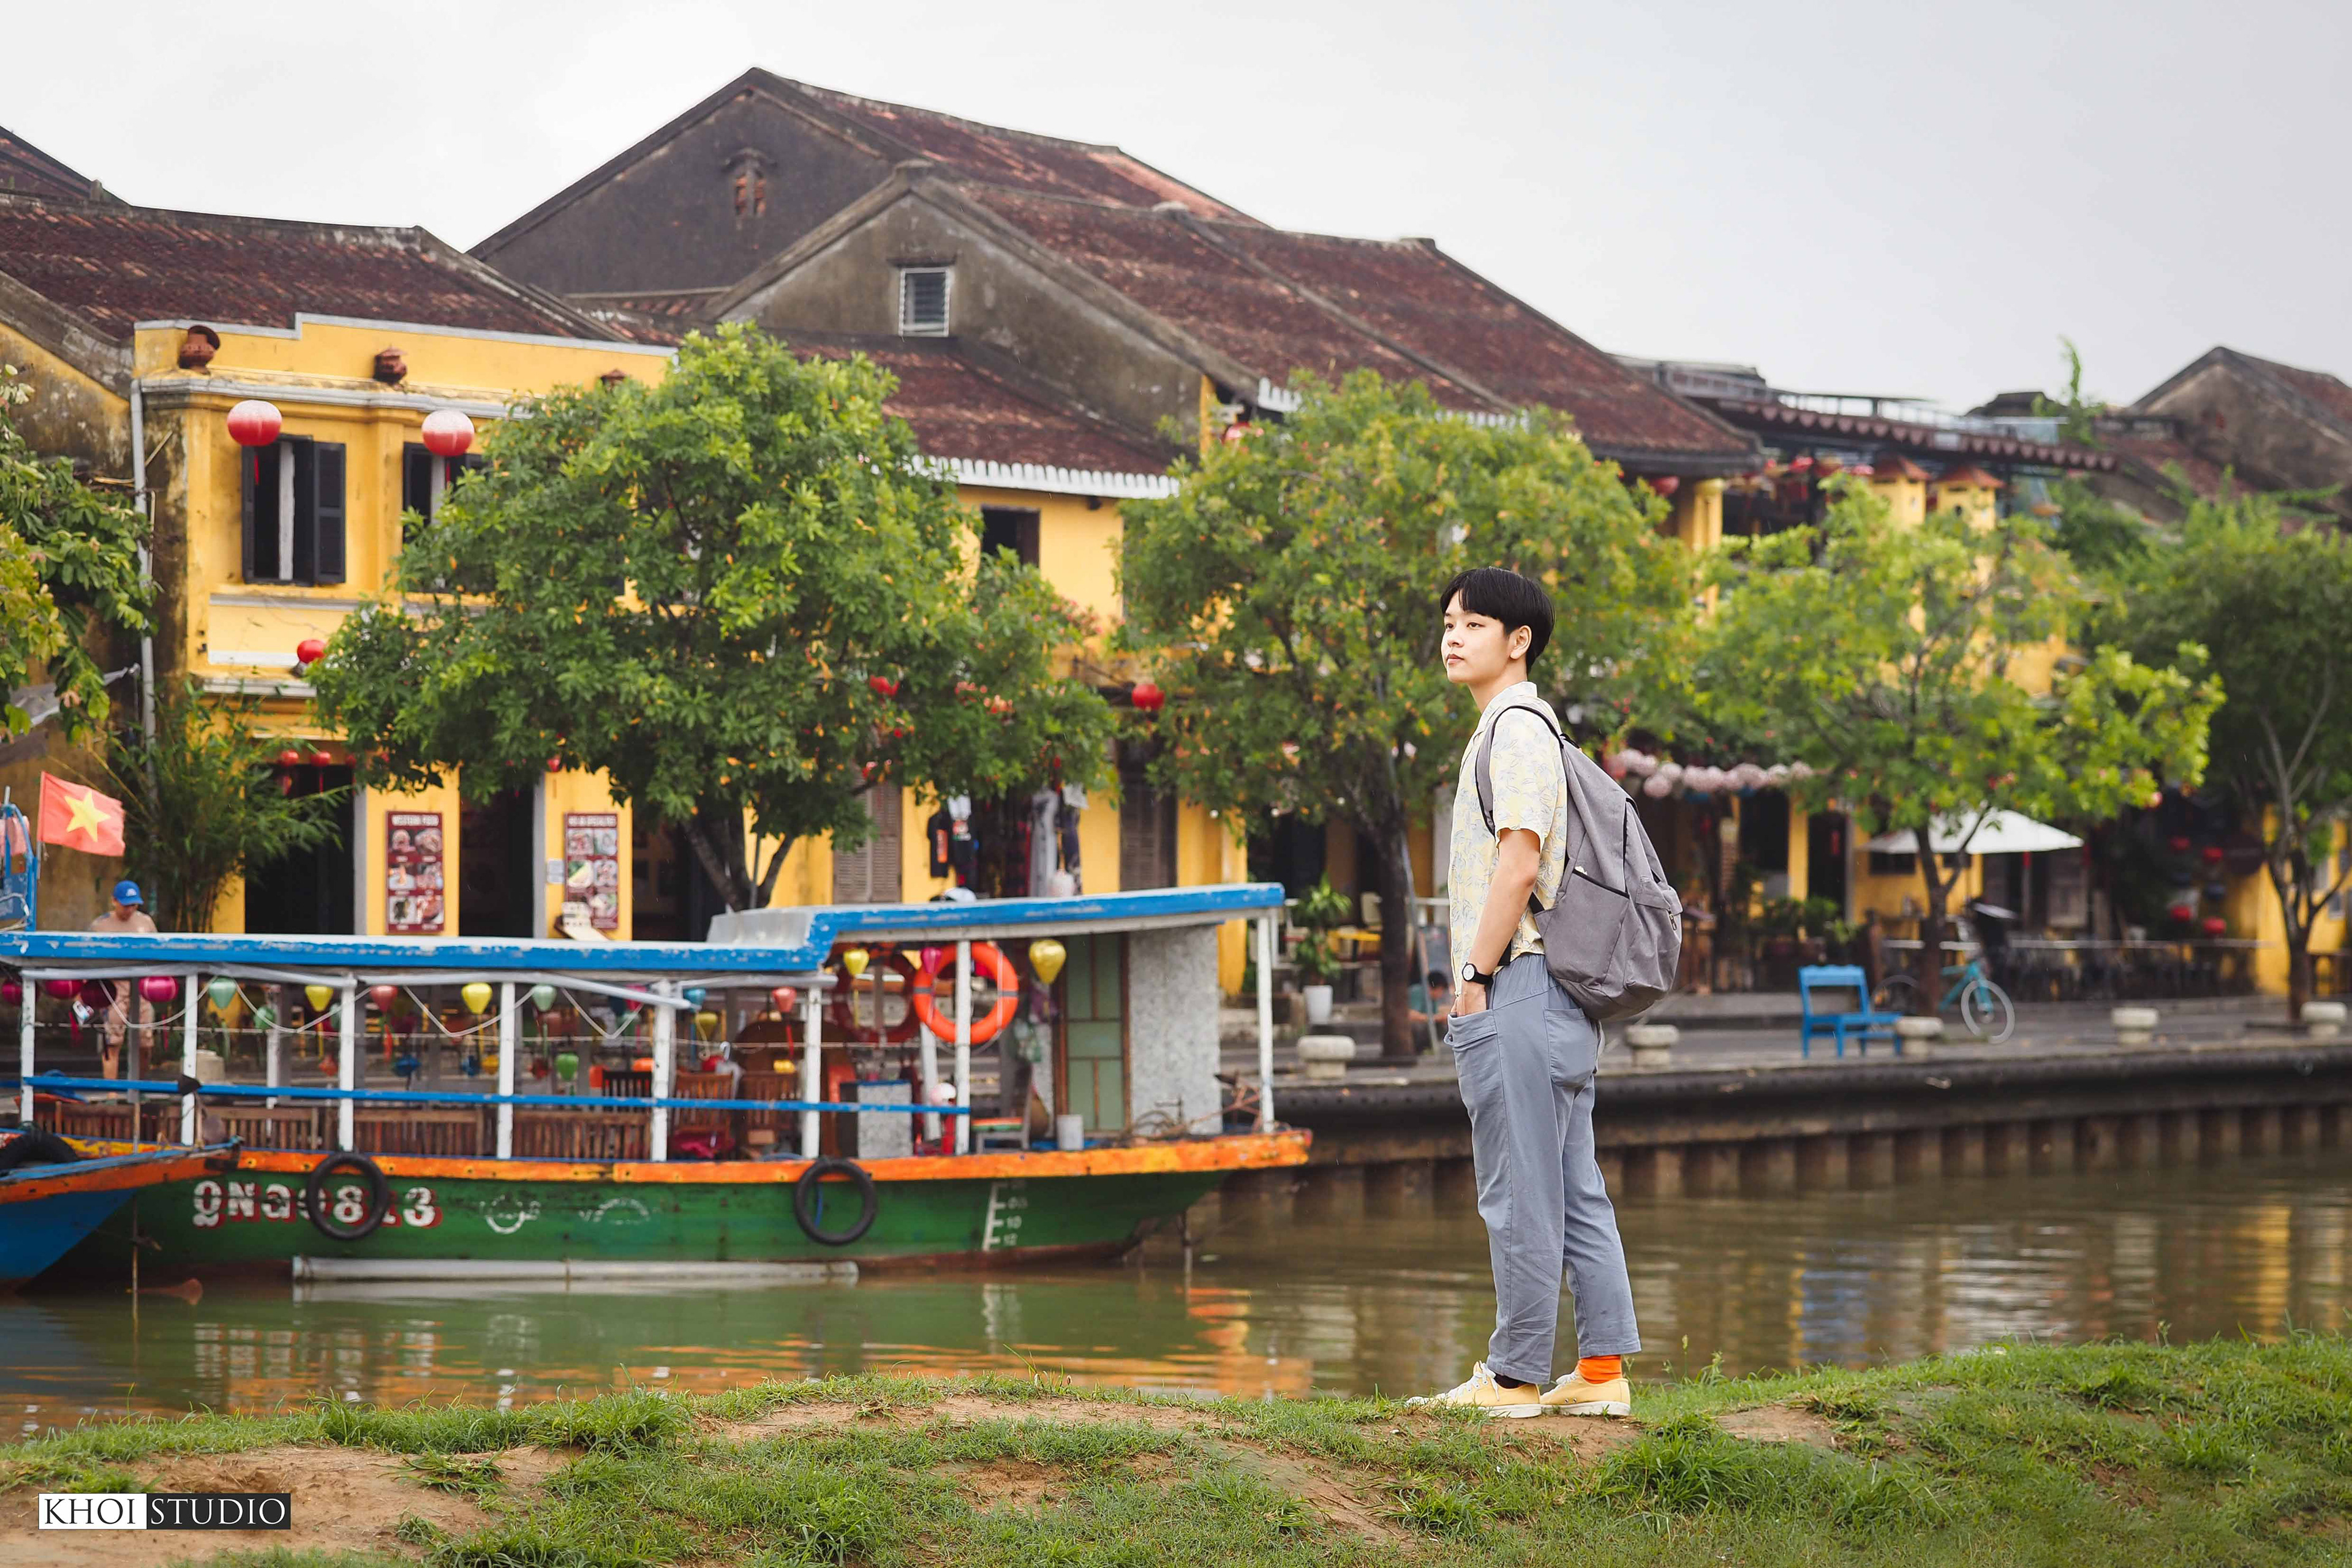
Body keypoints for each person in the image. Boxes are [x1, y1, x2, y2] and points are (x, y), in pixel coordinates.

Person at [1410, 567, 1640, 1419]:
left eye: (1474, 623)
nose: (1453, 635)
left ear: (1520, 642)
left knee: (1518, 1188)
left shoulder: (1512, 729)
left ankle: (1512, 1380)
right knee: (1574, 1185)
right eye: (1448, 622)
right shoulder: (1523, 728)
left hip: (1524, 982)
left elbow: (1519, 860)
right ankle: (1602, 1373)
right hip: (1557, 997)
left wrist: (1472, 974)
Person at [88, 880, 158, 1080]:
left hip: (142, 986)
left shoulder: (146, 923)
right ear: (114, 901)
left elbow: (159, 953)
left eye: (134, 905)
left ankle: (140, 1087)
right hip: (113, 985)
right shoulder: (100, 926)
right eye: (126, 905)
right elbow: (86, 957)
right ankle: (111, 1093)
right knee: (113, 1040)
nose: (130, 910)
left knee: (146, 1040)